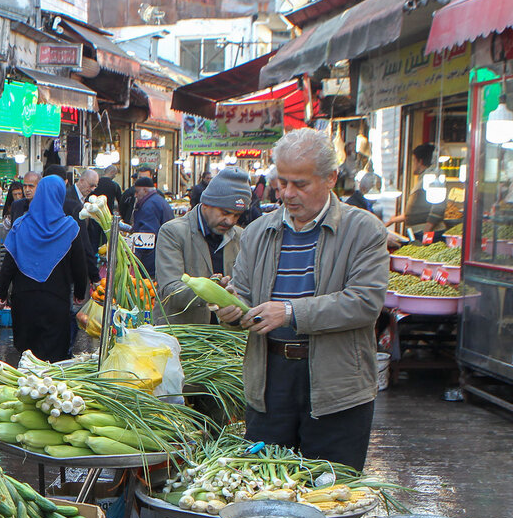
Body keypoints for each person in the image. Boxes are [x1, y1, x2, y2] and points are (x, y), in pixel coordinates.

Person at [216, 128, 387, 471]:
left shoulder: (364, 230)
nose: (288, 194)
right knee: (266, 485)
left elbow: (365, 302)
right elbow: (245, 294)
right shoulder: (257, 232)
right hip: (270, 379)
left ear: (331, 179)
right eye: (282, 182)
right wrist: (231, 309)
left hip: (337, 384)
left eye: (300, 184)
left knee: (331, 488)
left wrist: (291, 312)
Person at [0, 174, 89, 362]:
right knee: (54, 359)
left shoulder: (21, 225)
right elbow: (80, 266)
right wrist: (80, 293)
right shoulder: (69, 228)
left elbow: (9, 265)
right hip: (56, 302)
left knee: (28, 357)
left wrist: (1, 294)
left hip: (24, 302)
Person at [156, 167, 252, 325]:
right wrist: (211, 290)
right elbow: (170, 291)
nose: (230, 221)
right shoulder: (173, 232)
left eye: (236, 215)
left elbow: (246, 289)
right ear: (206, 204)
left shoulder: (241, 237)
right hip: (184, 336)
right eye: (225, 213)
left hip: (227, 338)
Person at [387, 143, 444, 243]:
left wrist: (426, 230)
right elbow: (414, 212)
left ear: (420, 161)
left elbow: (439, 206)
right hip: (419, 232)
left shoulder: (431, 179)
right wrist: (393, 220)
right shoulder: (423, 180)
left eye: (413, 161)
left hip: (428, 233)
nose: (412, 165)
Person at [123, 175, 174, 276]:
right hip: (162, 254)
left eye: (137, 192)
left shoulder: (149, 206)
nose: (135, 195)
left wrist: (135, 258)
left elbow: (147, 234)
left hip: (152, 258)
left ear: (145, 191)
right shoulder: (158, 200)